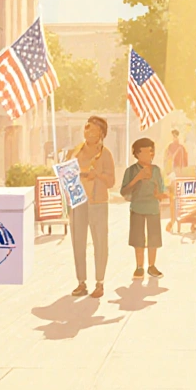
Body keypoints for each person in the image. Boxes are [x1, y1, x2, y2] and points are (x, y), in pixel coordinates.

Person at [67, 116, 115, 298]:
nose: (89, 132)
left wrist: (98, 175)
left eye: (94, 130)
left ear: (101, 134)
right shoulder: (75, 152)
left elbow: (111, 182)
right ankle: (81, 282)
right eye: (87, 128)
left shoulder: (105, 154)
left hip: (98, 203)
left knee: (100, 243)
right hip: (78, 201)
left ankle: (100, 283)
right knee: (78, 242)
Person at [121, 137, 167, 278]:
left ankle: (152, 266)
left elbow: (162, 190)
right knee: (138, 239)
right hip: (137, 208)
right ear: (137, 154)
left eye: (151, 152)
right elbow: (124, 191)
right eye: (146, 152)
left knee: (154, 238)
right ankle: (139, 266)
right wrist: (138, 178)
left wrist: (160, 194)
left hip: (153, 208)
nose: (150, 155)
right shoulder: (131, 170)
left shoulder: (156, 170)